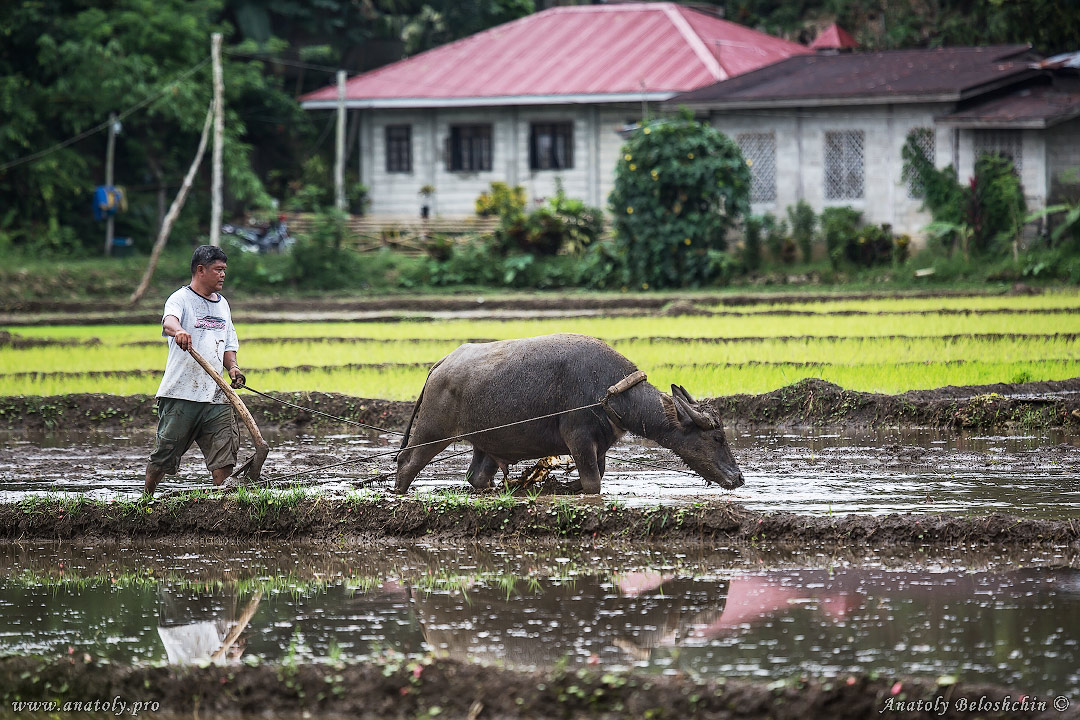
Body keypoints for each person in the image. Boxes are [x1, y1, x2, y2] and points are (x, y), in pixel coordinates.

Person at [144, 245, 245, 496]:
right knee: (164, 454)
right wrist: (179, 331)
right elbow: (169, 321)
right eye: (218, 270)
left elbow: (228, 343)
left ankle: (224, 505)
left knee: (224, 455)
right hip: (182, 394)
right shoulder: (181, 299)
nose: (223, 275)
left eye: (224, 270)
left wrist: (232, 368)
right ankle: (146, 499)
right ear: (201, 270)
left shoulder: (223, 305)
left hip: (215, 396)